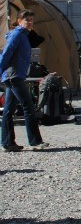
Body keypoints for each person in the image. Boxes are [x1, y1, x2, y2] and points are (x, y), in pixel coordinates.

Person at [1, 10, 48, 152]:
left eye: (32, 19)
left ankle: (8, 143)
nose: (30, 22)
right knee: (29, 107)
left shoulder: (24, 35)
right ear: (19, 21)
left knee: (8, 110)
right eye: (27, 20)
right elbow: (7, 53)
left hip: (16, 75)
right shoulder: (17, 35)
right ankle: (35, 142)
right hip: (13, 76)